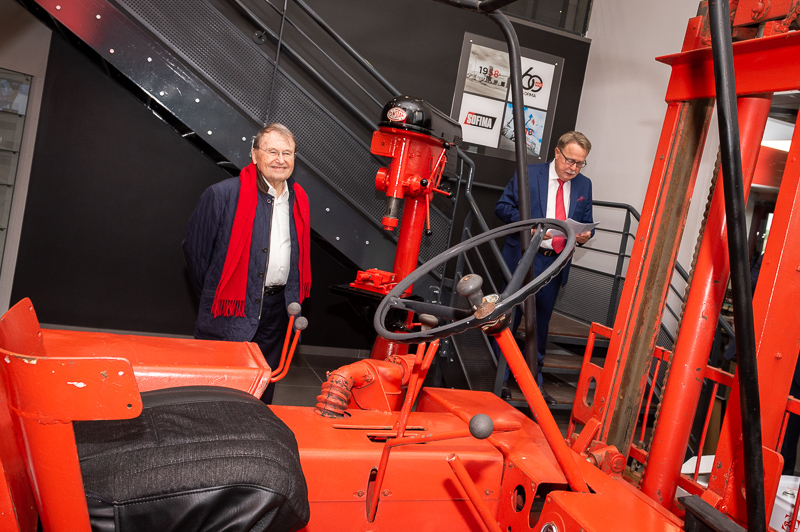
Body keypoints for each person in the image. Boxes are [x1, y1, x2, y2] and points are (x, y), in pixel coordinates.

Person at [183, 123, 311, 404]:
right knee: (219, 388)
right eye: (272, 151)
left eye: (287, 153)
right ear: (254, 155)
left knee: (263, 387)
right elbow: (195, 253)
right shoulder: (221, 195)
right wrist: (219, 294)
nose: (280, 159)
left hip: (279, 311)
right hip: (231, 308)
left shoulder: (299, 200)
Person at [495, 131, 594, 404]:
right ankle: (500, 380)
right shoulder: (530, 173)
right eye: (570, 160)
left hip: (555, 262)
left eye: (580, 163)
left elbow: (586, 221)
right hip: (523, 258)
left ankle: (533, 384)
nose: (573, 168)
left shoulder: (584, 186)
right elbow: (503, 207)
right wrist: (535, 225)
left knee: (539, 325)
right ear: (557, 152)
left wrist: (585, 235)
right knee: (508, 320)